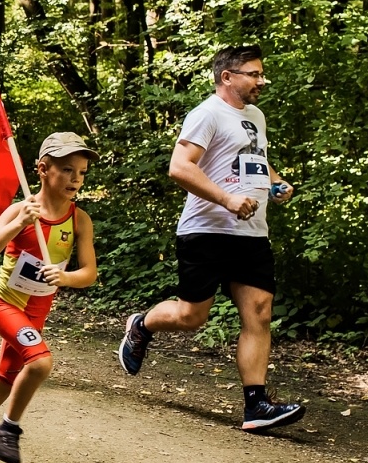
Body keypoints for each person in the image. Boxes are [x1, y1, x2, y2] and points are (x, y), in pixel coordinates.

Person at [117, 44, 304, 432]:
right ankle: (142, 325)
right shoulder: (206, 114)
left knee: (260, 313)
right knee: (191, 317)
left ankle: (256, 405)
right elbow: (179, 166)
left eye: (260, 73)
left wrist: (275, 182)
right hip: (206, 230)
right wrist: (226, 199)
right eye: (253, 74)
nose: (261, 81)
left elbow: (255, 158)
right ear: (227, 77)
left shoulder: (256, 116)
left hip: (252, 234)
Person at [0, 134, 98, 463]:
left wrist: (66, 277)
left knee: (6, 380)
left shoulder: (79, 220)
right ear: (43, 169)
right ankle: (8, 428)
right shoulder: (21, 210)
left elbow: (89, 272)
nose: (76, 178)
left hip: (37, 311)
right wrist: (18, 223)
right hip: (5, 305)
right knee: (41, 363)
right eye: (67, 169)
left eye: (82, 172)